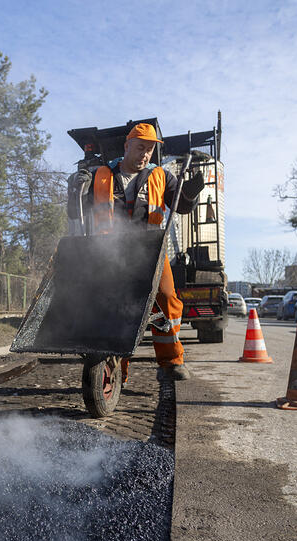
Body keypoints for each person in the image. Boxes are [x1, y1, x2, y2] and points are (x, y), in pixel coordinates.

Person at [72, 122, 203, 381]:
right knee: (113, 306)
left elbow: (182, 205)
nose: (145, 154)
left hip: (151, 249)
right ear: (127, 146)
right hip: (110, 252)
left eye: (150, 150)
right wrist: (76, 187)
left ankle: (171, 362)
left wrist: (192, 190)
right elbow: (75, 211)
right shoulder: (101, 175)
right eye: (140, 147)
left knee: (166, 299)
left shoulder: (162, 176)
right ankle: (115, 369)